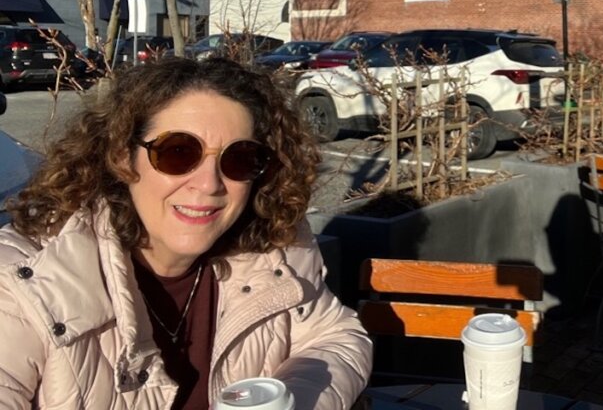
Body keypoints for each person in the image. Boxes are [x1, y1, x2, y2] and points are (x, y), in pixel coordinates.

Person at [0, 57, 372, 409]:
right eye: (178, 152)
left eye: (239, 158)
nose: (209, 184)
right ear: (121, 156)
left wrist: (292, 399)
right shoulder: (25, 284)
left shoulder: (274, 249)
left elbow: (335, 337)